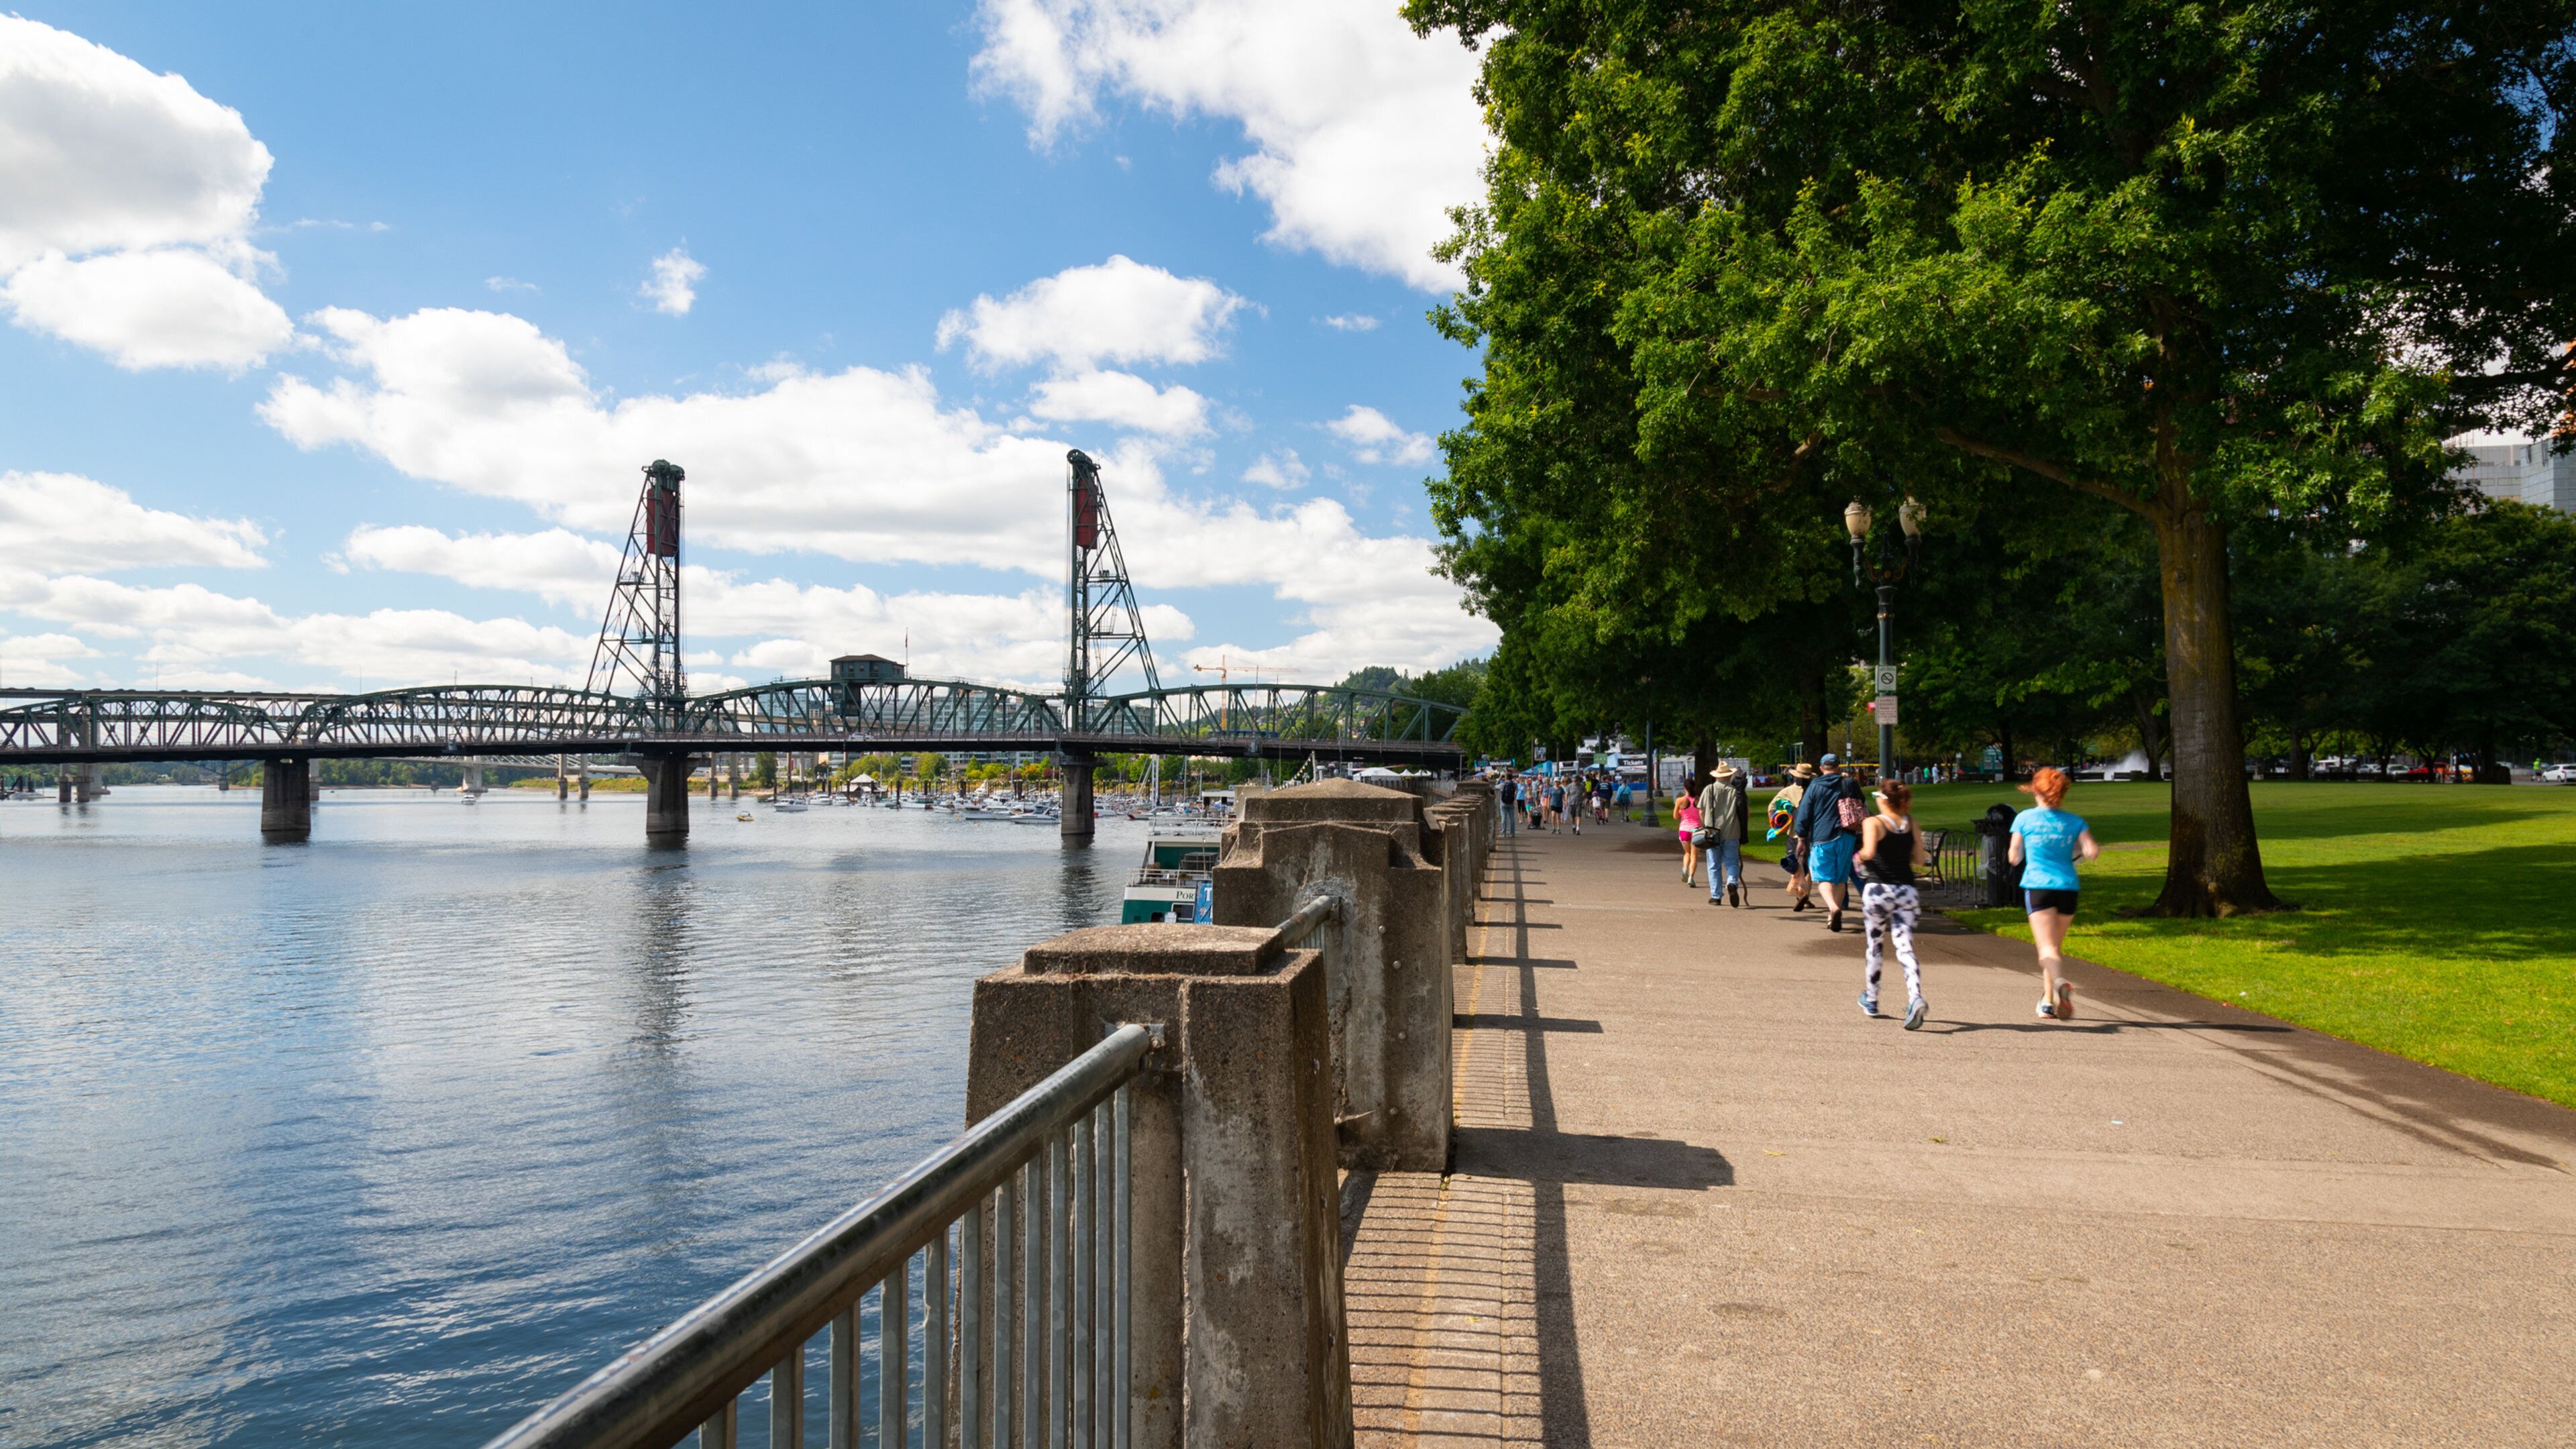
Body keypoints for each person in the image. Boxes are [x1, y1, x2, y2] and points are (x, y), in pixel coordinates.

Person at [2010, 765, 2100, 1021]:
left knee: (2047, 950)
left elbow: (2014, 855)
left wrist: (2017, 856)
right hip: (2068, 889)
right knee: (2055, 949)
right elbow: (2092, 850)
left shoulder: (2024, 819)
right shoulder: (2075, 822)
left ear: (2036, 791)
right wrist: (2086, 851)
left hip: (2039, 888)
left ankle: (2059, 984)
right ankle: (2048, 1001)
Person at [1854, 782, 1933, 1028]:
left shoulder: (1873, 823)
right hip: (1906, 890)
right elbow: (1920, 860)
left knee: (1875, 944)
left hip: (1878, 889)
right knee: (1905, 946)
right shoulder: (1911, 824)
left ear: (1884, 800)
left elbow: (1868, 852)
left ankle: (1872, 998)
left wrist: (1858, 857)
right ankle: (1915, 997)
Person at [1792, 753, 1864, 932]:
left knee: (1823, 877)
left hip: (1822, 837)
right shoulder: (1849, 784)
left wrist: (1801, 837)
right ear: (1838, 767)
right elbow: (1861, 803)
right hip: (1847, 835)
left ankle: (1833, 908)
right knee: (1840, 878)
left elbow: (1804, 814)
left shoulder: (1815, 786)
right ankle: (1832, 917)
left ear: (1822, 767)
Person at [1697, 762, 1750, 906]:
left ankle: (1716, 896)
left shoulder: (1709, 789)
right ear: (1729, 775)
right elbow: (1746, 813)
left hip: (1713, 832)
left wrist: (1705, 825)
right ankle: (1732, 882)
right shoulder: (1736, 791)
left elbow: (1701, 811)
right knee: (1732, 862)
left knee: (1714, 864)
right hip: (1733, 832)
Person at [1768, 764, 1816, 910]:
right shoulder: (1814, 792)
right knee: (1809, 867)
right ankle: (1805, 895)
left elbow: (1771, 808)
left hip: (1793, 833)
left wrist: (1776, 826)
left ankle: (1800, 895)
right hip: (1812, 834)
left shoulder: (1787, 791)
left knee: (1796, 865)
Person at [1675, 785, 1703, 885]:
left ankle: (1685, 869)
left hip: (1684, 830)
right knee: (1694, 856)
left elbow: (1675, 816)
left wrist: (1681, 812)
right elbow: (1702, 814)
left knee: (1687, 853)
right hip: (1696, 829)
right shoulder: (1699, 800)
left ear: (1684, 788)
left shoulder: (1680, 800)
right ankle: (1691, 877)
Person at [1498, 772, 1519, 836]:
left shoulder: (1503, 784)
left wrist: (1500, 778)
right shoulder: (1514, 784)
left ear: (1506, 777)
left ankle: (1503, 833)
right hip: (1511, 803)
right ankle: (1512, 833)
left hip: (1503, 803)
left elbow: (1495, 785)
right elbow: (1516, 790)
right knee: (1512, 819)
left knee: (1504, 818)